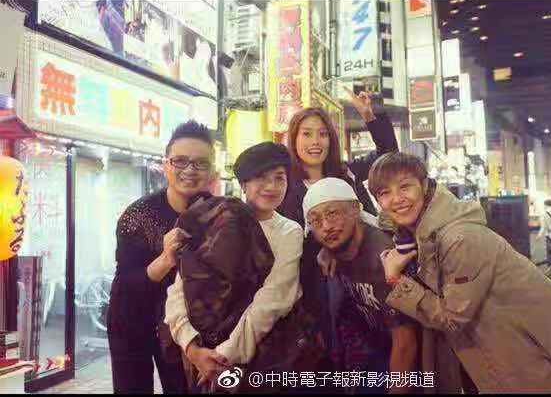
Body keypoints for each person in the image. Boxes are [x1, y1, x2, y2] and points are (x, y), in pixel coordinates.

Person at [367, 152, 551, 393]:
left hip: (547, 368)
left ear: (424, 185)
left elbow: (452, 318)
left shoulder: (459, 239)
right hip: (523, 361)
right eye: (384, 193)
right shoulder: (423, 236)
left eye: (405, 187)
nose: (396, 199)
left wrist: (397, 281)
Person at [165, 142, 306, 391]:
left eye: (279, 178)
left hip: (258, 356)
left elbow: (272, 300)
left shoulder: (289, 231)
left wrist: (224, 356)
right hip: (201, 350)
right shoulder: (215, 219)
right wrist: (192, 348)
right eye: (261, 177)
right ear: (243, 184)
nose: (271, 186)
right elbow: (180, 287)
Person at [276, 88, 398, 375]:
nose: (315, 142)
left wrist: (370, 116)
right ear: (294, 139)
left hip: (364, 277)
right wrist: (324, 247)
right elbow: (289, 240)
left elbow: (388, 156)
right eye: (306, 134)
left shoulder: (345, 173)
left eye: (322, 134)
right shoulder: (286, 187)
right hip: (315, 289)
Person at [107, 120, 217, 394]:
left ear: (212, 171)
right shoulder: (137, 215)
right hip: (133, 319)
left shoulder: (219, 215)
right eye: (180, 161)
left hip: (185, 326)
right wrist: (166, 259)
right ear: (166, 165)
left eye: (200, 163)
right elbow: (125, 285)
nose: (189, 170)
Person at [302, 177, 418, 394]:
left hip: (408, 358)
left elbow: (406, 342)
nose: (326, 227)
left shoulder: (383, 257)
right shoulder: (338, 250)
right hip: (373, 349)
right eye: (315, 221)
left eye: (332, 213)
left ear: (355, 209)